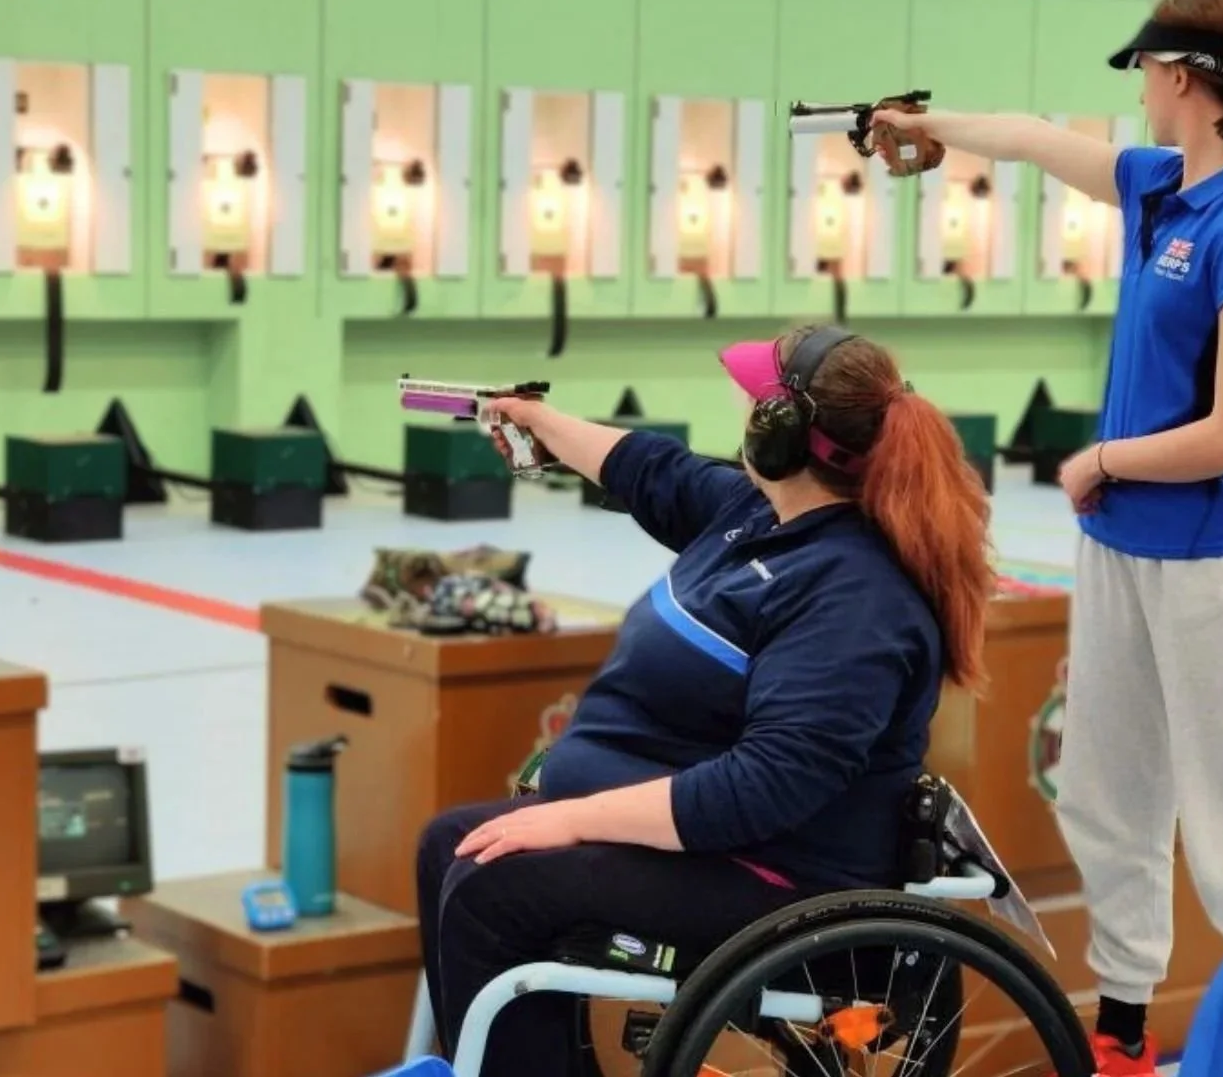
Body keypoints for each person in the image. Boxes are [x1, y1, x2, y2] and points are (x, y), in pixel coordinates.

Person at [868, 0, 1223, 1075]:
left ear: (1176, 77)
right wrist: (920, 126)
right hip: (1120, 547)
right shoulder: (1161, 185)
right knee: (1109, 794)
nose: (1138, 94)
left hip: (1215, 552)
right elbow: (1026, 139)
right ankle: (1122, 1031)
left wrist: (1098, 457)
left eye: (1144, 75)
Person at [413, 325, 994, 1076]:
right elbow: (652, 470)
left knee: (496, 889)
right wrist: (542, 425)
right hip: (721, 849)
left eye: (753, 405)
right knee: (449, 844)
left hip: (780, 878)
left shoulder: (852, 596)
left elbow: (761, 788)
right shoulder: (761, 514)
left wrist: (568, 816)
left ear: (783, 436)